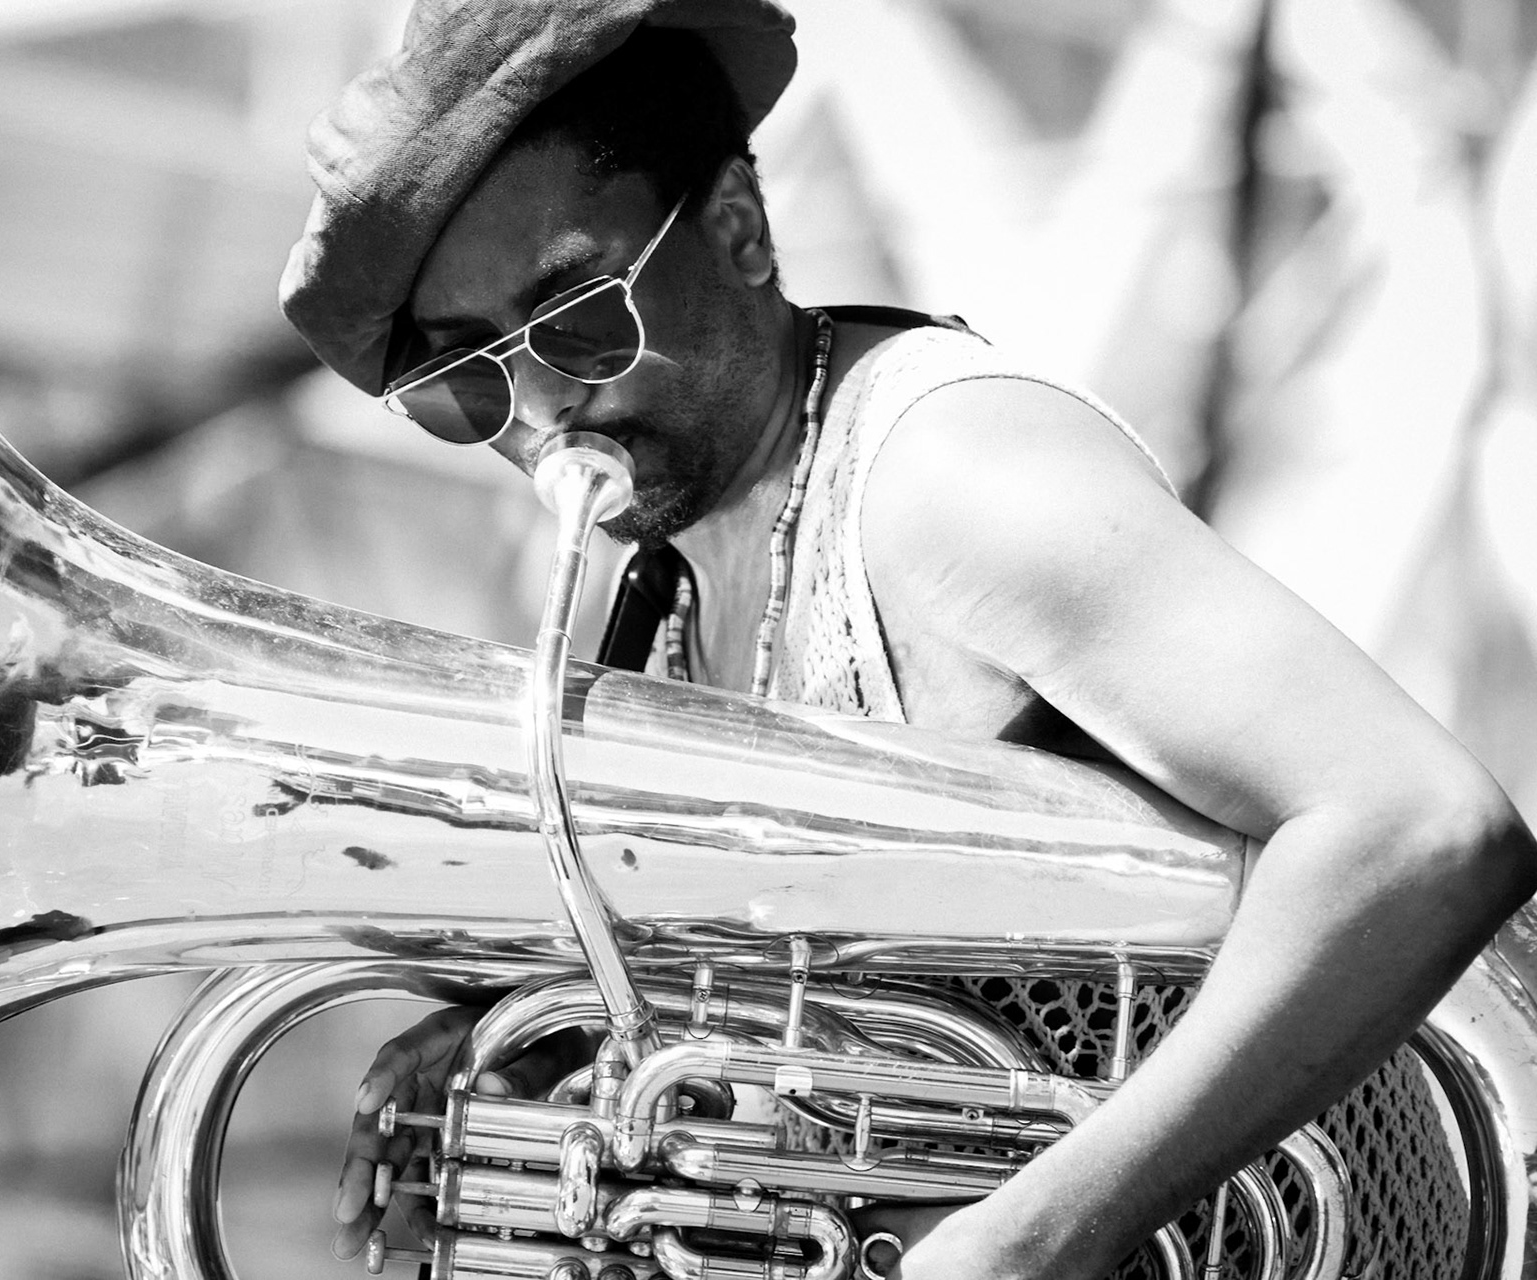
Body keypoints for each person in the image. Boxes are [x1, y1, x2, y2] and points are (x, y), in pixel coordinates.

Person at [277, 3, 1537, 1276]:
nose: (543, 410)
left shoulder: (954, 478)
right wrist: (554, 1059)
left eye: (580, 323)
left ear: (738, 229)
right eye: (469, 381)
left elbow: (1418, 827)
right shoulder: (652, 574)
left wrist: (1039, 1234)